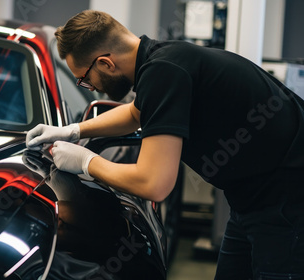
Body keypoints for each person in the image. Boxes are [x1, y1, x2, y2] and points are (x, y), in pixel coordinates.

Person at [26, 10, 304, 280]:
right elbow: (136, 113)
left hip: (287, 202)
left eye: (85, 79)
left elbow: (154, 184)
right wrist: (73, 130)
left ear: (105, 63)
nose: (91, 87)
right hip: (254, 199)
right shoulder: (164, 59)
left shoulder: (164, 71)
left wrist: (86, 162)